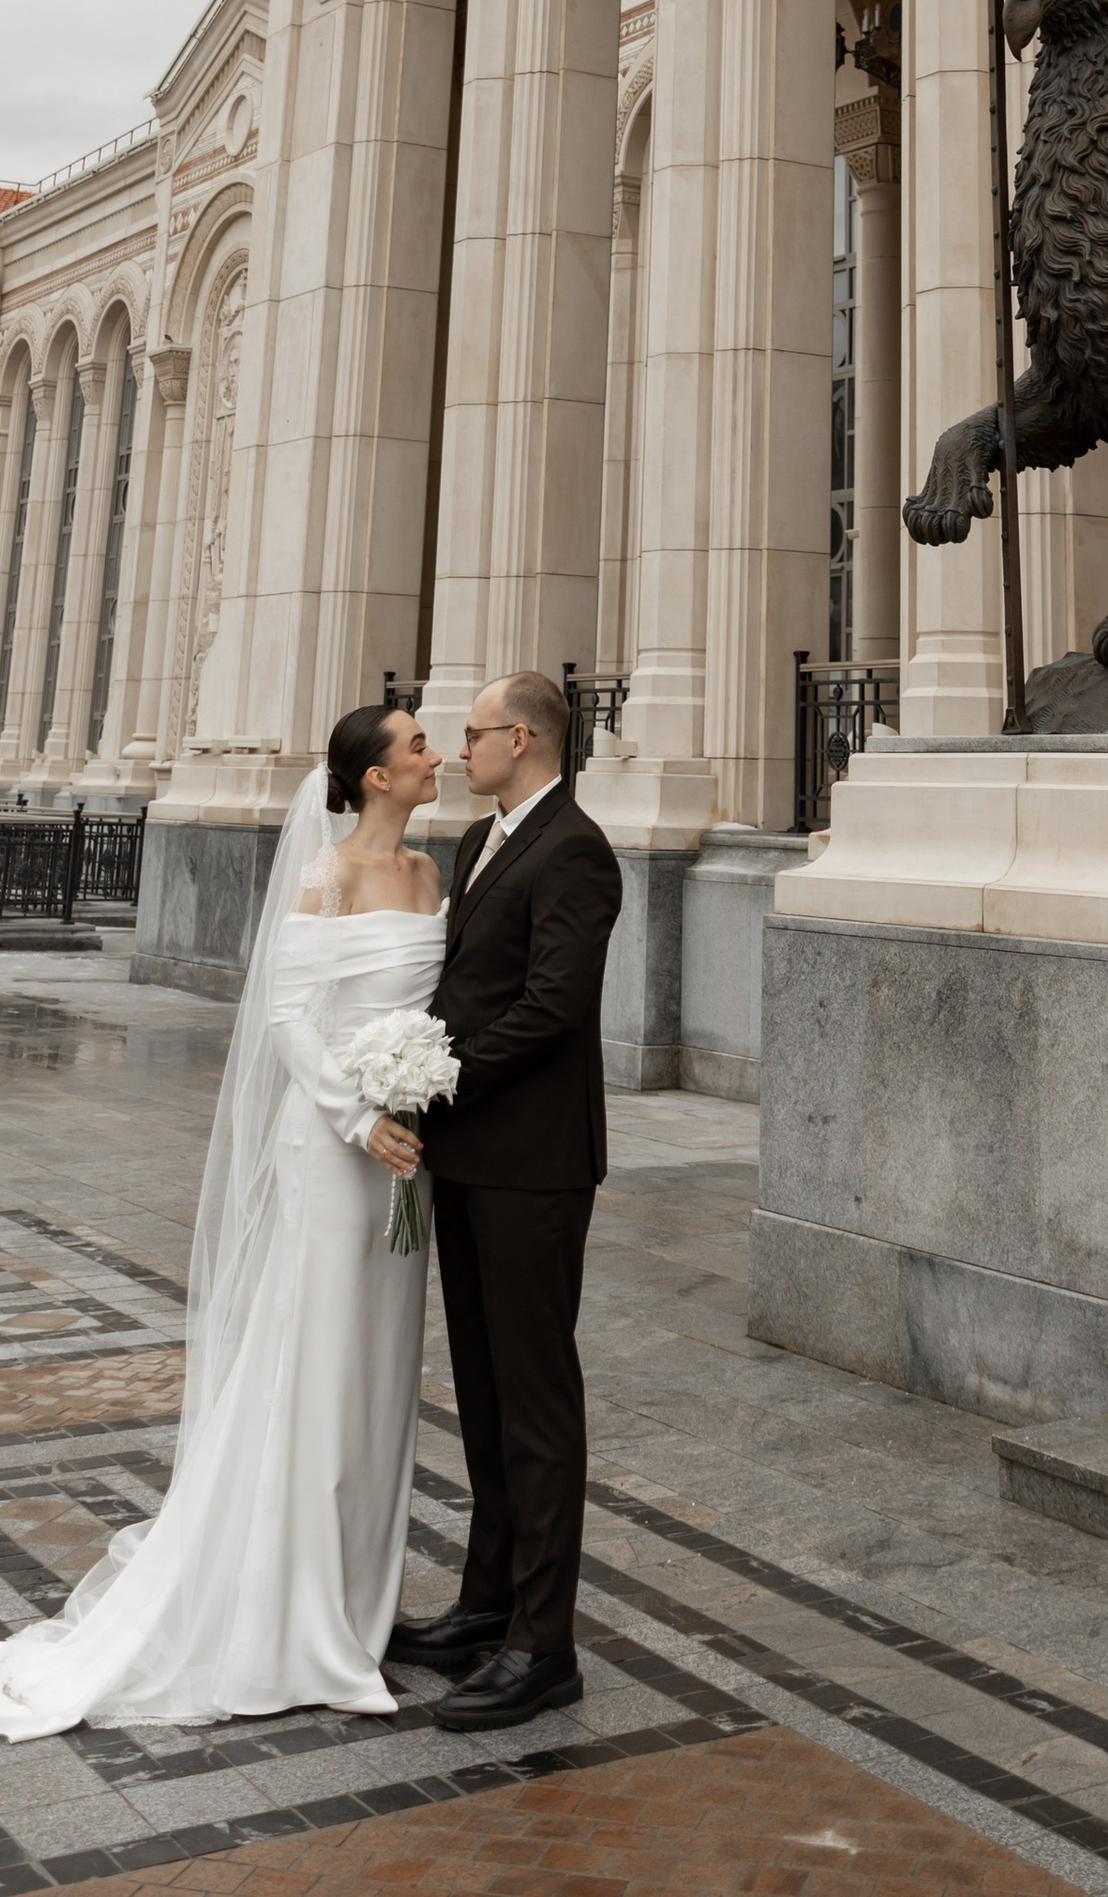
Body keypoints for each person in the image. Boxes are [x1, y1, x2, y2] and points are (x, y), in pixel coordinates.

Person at [0, 703, 446, 1736]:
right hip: (334, 1149)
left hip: (404, 1156)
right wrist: (358, 1116)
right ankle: (289, 1617)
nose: (433, 755)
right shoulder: (329, 875)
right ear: (372, 776)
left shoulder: (430, 874)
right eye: (415, 745)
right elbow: (287, 1018)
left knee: (379, 1370)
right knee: (314, 1366)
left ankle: (356, 1603)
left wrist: (413, 1095)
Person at [391, 670, 622, 1731]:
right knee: (483, 1396)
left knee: (535, 1405)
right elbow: (468, 986)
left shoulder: (576, 849)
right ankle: (487, 1605)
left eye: (474, 733)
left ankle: (542, 1645)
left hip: (535, 1165)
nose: (458, 750)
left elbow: (552, 1006)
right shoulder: (482, 840)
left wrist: (441, 1074)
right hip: (470, 1156)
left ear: (521, 738)